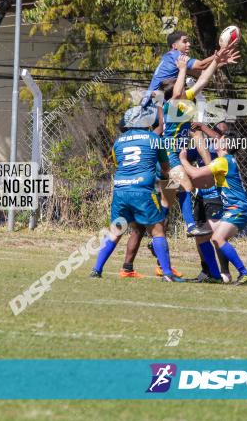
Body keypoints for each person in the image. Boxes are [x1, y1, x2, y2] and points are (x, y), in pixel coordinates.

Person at [90, 104, 184, 282]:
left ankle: (96, 269)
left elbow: (119, 165)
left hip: (121, 190)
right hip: (142, 191)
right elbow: (165, 169)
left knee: (115, 231)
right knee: (157, 231)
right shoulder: (154, 139)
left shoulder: (118, 141)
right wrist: (173, 185)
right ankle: (167, 273)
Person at [160, 48, 234, 236]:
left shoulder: (187, 100)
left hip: (179, 152)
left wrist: (216, 61)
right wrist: (183, 68)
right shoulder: (171, 105)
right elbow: (177, 94)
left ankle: (156, 233)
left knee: (167, 200)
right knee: (186, 186)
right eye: (183, 86)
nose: (185, 88)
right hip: (169, 152)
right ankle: (190, 225)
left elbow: (203, 80)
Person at [179, 130, 247, 286]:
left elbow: (195, 173)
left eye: (221, 139)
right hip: (233, 208)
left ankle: (244, 272)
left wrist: (182, 159)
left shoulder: (223, 161)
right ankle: (214, 274)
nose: (217, 140)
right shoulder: (226, 161)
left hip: (239, 208)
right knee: (201, 235)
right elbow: (204, 181)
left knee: (217, 238)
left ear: (226, 144)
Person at [186, 122, 232, 283]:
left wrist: (202, 128)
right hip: (201, 195)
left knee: (218, 236)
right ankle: (207, 270)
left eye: (221, 130)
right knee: (200, 236)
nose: (218, 133)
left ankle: (225, 272)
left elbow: (219, 138)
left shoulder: (223, 149)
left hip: (216, 195)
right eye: (217, 128)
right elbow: (185, 160)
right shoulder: (201, 145)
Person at [141, 31, 238, 107]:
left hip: (152, 102)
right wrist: (218, 53)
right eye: (184, 41)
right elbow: (201, 65)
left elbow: (201, 73)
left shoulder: (171, 59)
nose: (189, 44)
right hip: (154, 103)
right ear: (174, 46)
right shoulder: (176, 55)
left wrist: (221, 62)